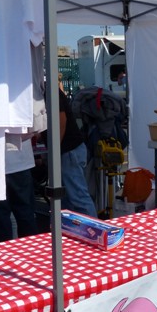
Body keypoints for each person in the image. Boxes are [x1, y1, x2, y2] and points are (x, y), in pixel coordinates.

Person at [59, 88, 97, 217]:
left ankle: (95, 231)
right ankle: (70, 231)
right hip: (70, 150)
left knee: (78, 198)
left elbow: (61, 121)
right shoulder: (49, 91)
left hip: (69, 150)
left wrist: (53, 150)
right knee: (68, 199)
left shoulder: (49, 92)